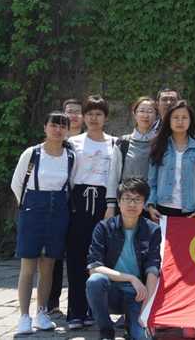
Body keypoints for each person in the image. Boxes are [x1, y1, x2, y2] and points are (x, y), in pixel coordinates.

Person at [11, 112, 76, 335]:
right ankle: (23, 316)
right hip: (33, 210)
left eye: (63, 126)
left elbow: (71, 184)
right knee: (28, 265)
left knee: (48, 266)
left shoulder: (70, 156)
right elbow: (16, 184)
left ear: (67, 130)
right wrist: (28, 208)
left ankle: (42, 312)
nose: (58, 129)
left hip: (58, 211)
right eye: (54, 125)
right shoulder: (32, 153)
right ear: (45, 127)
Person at [66, 95, 120, 329]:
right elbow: (68, 175)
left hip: (104, 202)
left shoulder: (115, 143)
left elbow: (115, 176)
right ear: (84, 117)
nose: (94, 118)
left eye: (98, 114)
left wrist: (111, 205)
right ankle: (75, 312)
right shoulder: (73, 142)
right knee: (76, 256)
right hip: (78, 202)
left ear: (105, 117)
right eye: (89, 114)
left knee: (100, 257)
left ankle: (94, 310)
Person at [86, 177, 161, 340]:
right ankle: (106, 331)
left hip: (138, 294)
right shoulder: (104, 227)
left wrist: (146, 310)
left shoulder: (153, 230)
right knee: (95, 281)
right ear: (119, 202)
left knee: (143, 337)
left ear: (144, 204)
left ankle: (131, 323)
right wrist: (131, 278)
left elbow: (153, 269)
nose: (132, 204)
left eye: (137, 199)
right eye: (127, 198)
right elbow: (94, 267)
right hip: (111, 290)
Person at [48, 99, 83, 314]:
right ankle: (52, 302)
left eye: (77, 112)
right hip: (60, 203)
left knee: (79, 255)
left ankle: (79, 303)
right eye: (69, 112)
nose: (73, 115)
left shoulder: (88, 141)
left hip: (81, 203)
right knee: (55, 254)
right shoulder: (56, 142)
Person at [146, 100, 195, 220]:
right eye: (175, 117)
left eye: (184, 117)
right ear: (169, 121)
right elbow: (152, 181)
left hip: (190, 211)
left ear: (190, 121)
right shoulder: (159, 146)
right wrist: (150, 205)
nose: (180, 121)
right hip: (161, 209)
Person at [110, 97, 158, 184]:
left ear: (156, 116)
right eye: (142, 111)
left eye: (150, 112)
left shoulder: (161, 143)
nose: (145, 115)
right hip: (128, 192)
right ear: (135, 114)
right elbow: (113, 176)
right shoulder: (123, 143)